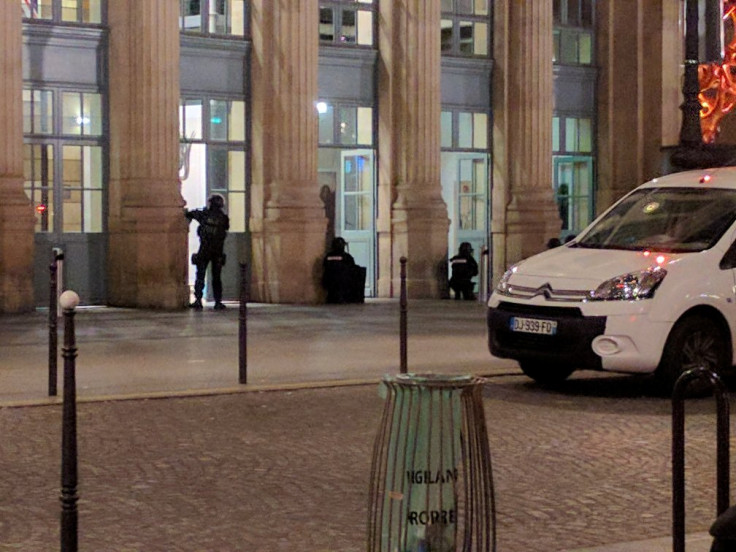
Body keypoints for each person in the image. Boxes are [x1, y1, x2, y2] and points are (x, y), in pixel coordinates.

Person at [185, 193, 230, 310]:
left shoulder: (204, 215)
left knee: (200, 275)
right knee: (216, 277)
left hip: (204, 249)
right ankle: (218, 301)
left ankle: (198, 300)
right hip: (218, 251)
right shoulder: (224, 218)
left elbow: (190, 214)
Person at [322, 237, 356, 304]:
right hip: (343, 282)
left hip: (329, 282)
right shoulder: (347, 257)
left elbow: (324, 266)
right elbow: (352, 268)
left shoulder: (328, 256)